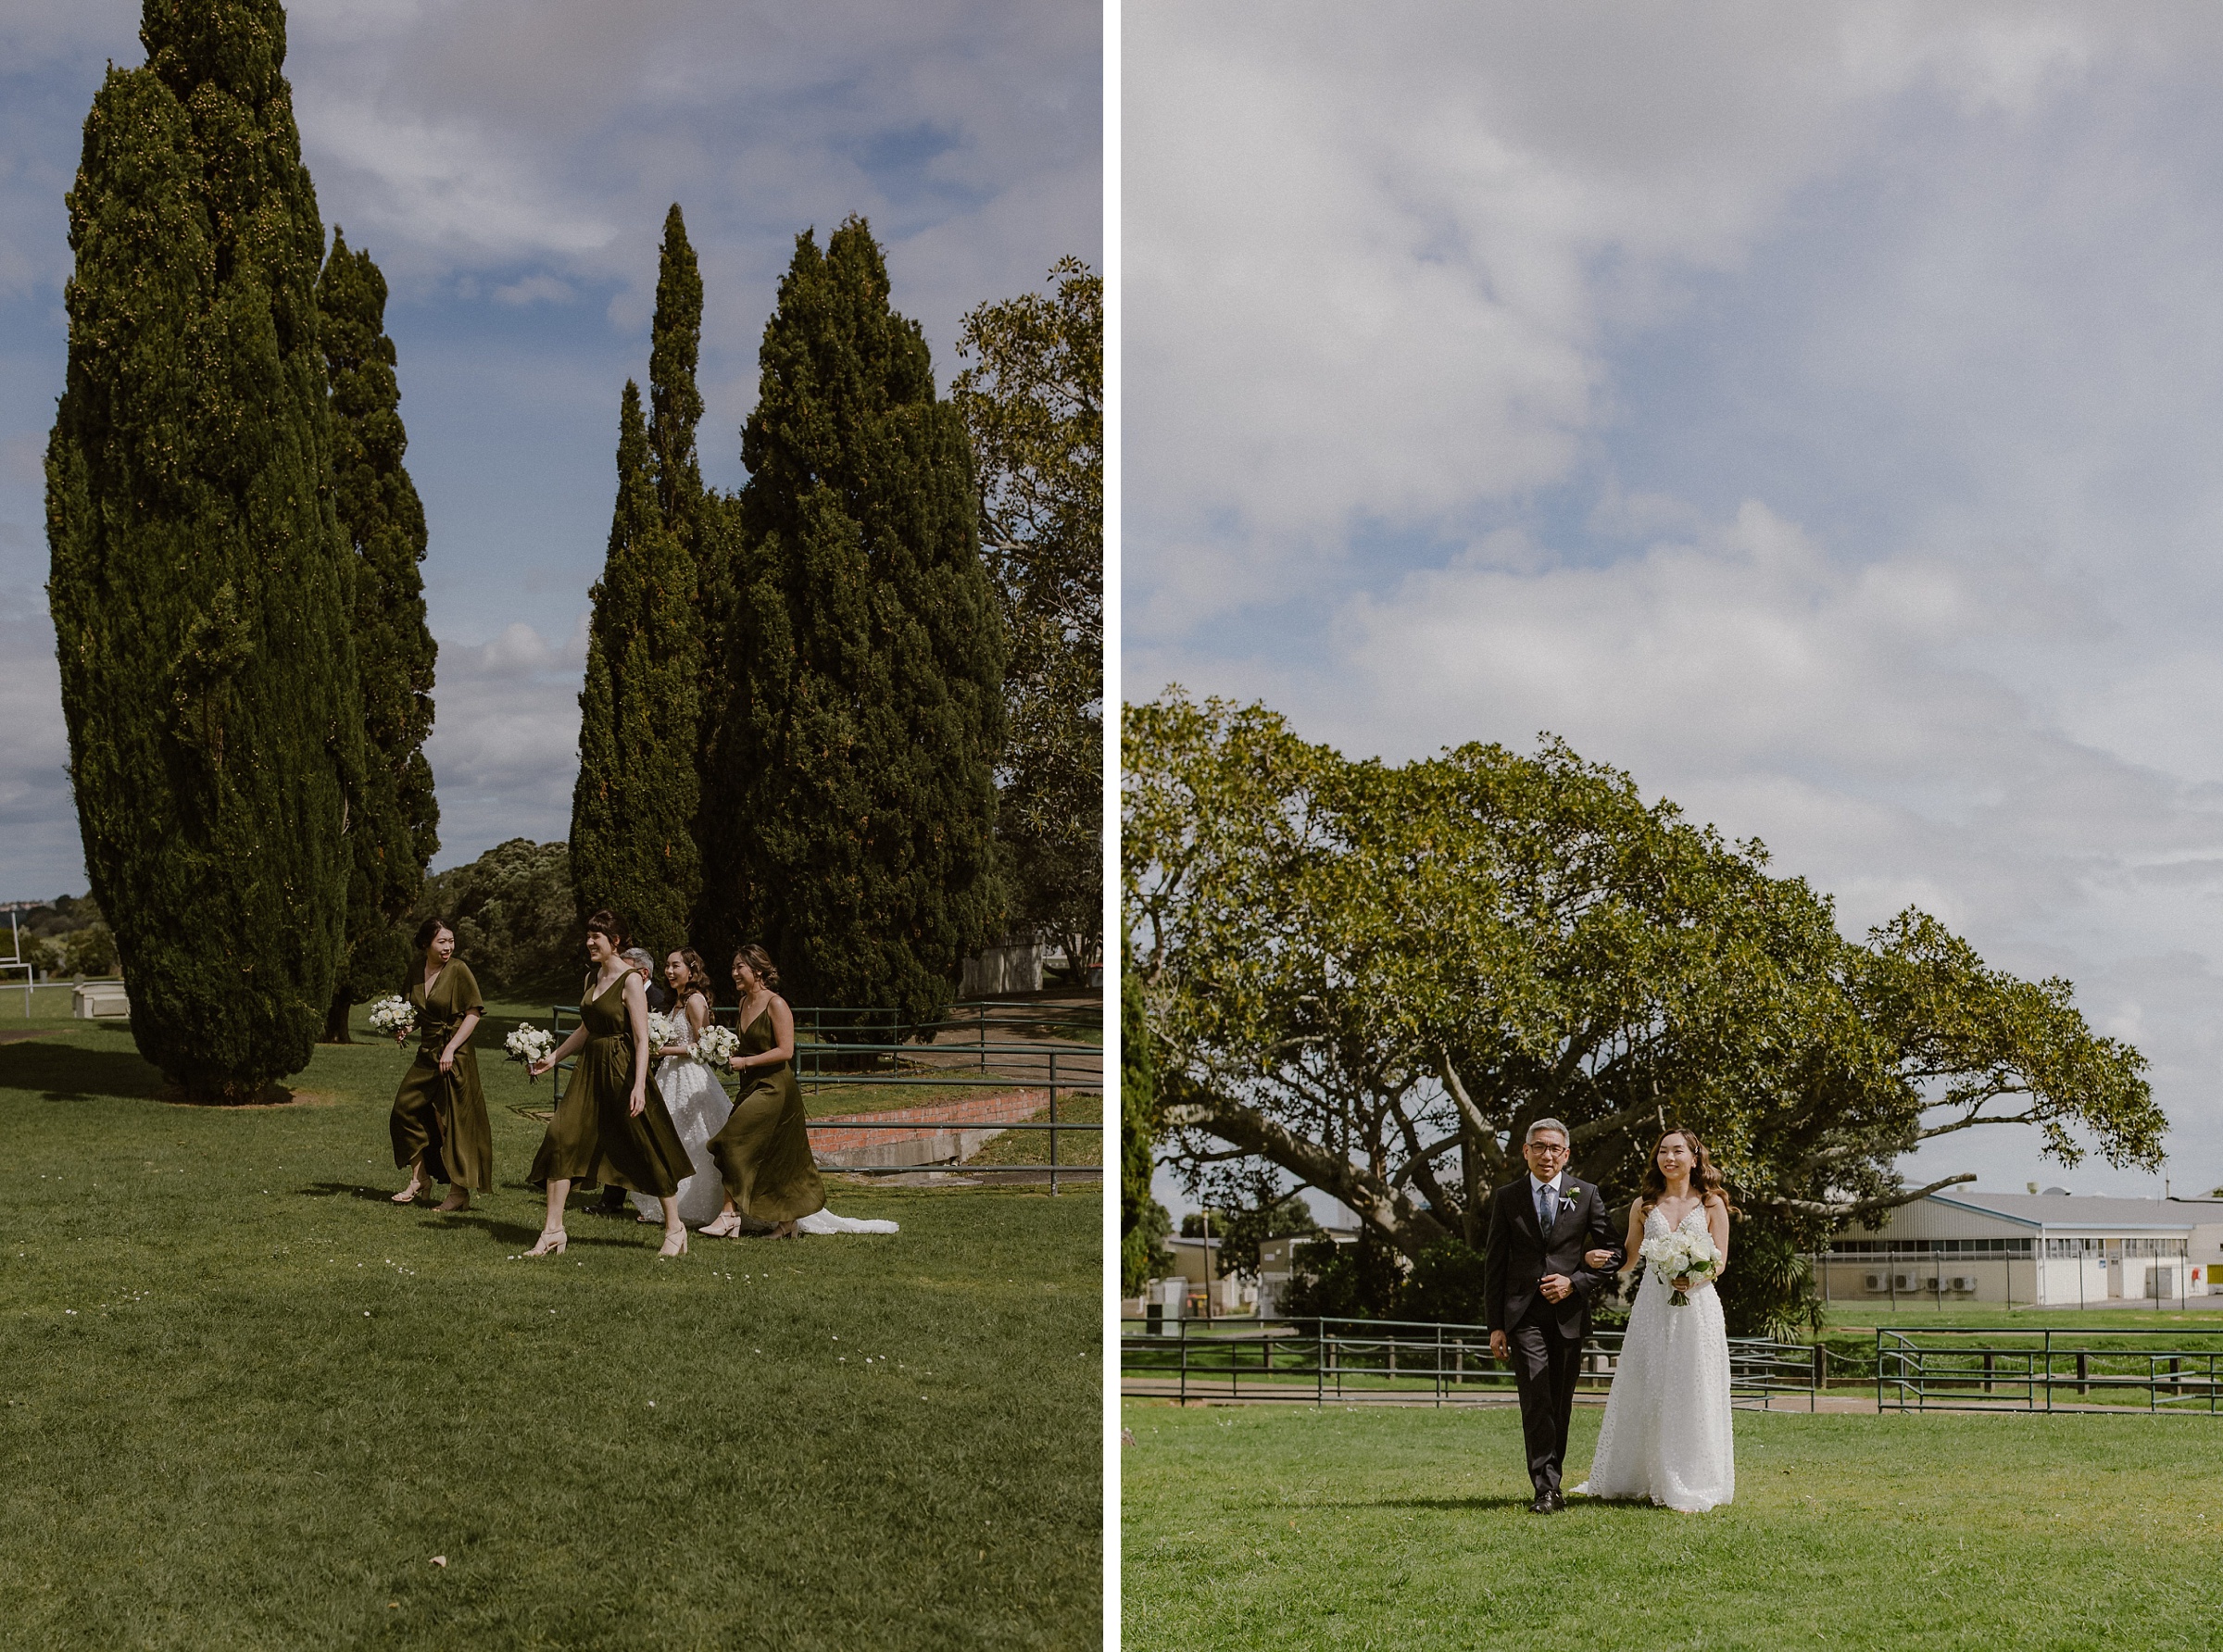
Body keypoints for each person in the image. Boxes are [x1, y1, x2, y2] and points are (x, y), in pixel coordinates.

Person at [1572, 1128, 1736, 1512]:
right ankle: (1642, 1474)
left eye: (1678, 1151)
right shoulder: (1644, 1206)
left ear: (1695, 1158)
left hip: (1698, 1307)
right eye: (1663, 1151)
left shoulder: (1712, 1204)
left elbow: (1721, 1262)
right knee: (1650, 1384)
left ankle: (1693, 1476)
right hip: (1652, 1306)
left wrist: (1693, 1274)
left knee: (1694, 1385)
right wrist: (1598, 1258)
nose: (1670, 1158)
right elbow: (1629, 1258)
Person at [525, 911, 694, 1258]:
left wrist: (637, 1085)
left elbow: (642, 1038)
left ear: (614, 941)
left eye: (596, 936)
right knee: (561, 1137)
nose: (589, 942)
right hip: (589, 1070)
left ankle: (675, 1227)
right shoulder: (593, 976)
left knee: (644, 1143)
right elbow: (586, 1027)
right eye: (588, 935)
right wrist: (554, 1057)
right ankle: (553, 1230)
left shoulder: (630, 979)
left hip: (621, 1066)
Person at [1483, 1119, 1623, 1514]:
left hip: (1568, 1316)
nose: (1547, 1155)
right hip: (1522, 1315)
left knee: (1560, 1401)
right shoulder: (1507, 1197)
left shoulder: (1586, 1194)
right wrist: (1496, 1324)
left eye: (1554, 1149)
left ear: (1566, 1154)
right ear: (1525, 1151)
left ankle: (1553, 1482)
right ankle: (1545, 1489)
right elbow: (1494, 1265)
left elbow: (1615, 1253)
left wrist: (1576, 1281)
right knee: (1536, 1396)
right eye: (1539, 1147)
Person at [702, 945, 827, 1239]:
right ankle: (787, 1224)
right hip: (750, 1085)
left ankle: (729, 1215)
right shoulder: (744, 1002)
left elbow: (786, 1050)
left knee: (731, 1140)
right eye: (733, 968)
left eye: (739, 968)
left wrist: (746, 1061)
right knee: (772, 1156)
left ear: (757, 971)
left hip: (775, 1088)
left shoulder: (776, 1004)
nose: (734, 973)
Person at [387, 917, 492, 1212]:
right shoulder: (415, 970)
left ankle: (459, 1193)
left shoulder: (459, 970)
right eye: (441, 942)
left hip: (455, 1055)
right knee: (403, 1110)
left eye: (451, 941)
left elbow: (473, 1013)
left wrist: (451, 1048)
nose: (448, 947)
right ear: (425, 944)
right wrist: (406, 1028)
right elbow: (419, 1011)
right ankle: (420, 1178)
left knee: (451, 1122)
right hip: (427, 1052)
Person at [627, 948, 735, 1227]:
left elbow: (704, 1046)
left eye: (676, 966)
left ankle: (701, 1206)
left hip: (691, 1075)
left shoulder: (695, 1001)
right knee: (668, 1135)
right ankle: (669, 1203)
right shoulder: (674, 1002)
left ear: (692, 969)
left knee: (692, 1136)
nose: (670, 972)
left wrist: (663, 1050)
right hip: (668, 1075)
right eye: (667, 966)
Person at [596, 947, 672, 1218]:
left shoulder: (659, 999)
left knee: (645, 1140)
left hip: (651, 1072)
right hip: (624, 1067)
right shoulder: (619, 986)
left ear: (643, 972)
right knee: (619, 1133)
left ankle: (666, 1210)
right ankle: (612, 1199)